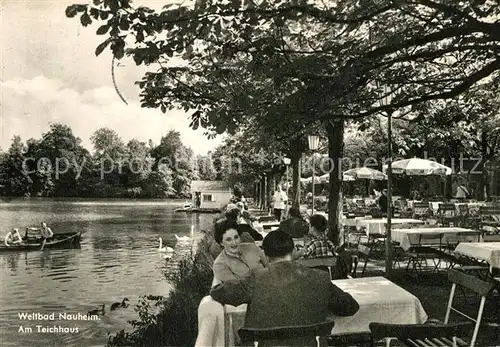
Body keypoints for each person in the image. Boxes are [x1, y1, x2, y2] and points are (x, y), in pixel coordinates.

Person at [210, 230, 359, 345]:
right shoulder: (320, 277)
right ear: (293, 251)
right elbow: (350, 307)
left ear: (266, 256)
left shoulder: (256, 278)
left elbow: (218, 293)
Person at [212, 219, 269, 284]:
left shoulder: (252, 247)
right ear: (221, 243)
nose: (234, 242)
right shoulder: (220, 264)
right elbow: (238, 288)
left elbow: (270, 268)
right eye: (228, 240)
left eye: (236, 237)